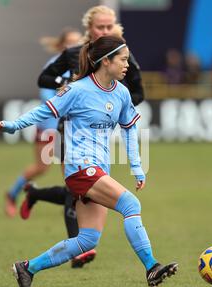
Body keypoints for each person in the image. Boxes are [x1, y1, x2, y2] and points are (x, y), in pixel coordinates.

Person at [0, 36, 178, 287]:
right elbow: (44, 111)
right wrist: (12, 125)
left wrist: (136, 167)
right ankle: (151, 267)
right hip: (79, 168)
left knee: (88, 239)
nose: (128, 65)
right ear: (106, 61)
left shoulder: (122, 93)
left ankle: (27, 268)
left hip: (98, 169)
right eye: (123, 59)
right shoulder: (77, 90)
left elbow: (129, 131)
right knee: (130, 204)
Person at [18, 5, 145, 268]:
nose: (105, 30)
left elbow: (138, 94)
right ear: (89, 28)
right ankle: (78, 246)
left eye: (110, 26)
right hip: (70, 133)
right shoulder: (74, 53)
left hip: (99, 134)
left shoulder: (123, 57)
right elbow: (45, 78)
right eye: (101, 26)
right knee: (77, 185)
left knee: (80, 190)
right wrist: (64, 89)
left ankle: (41, 202)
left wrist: (112, 103)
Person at [4, 28, 82, 217]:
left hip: (71, 129)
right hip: (50, 127)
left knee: (73, 174)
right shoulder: (54, 65)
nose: (73, 46)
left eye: (77, 42)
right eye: (69, 42)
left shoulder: (84, 64)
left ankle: (74, 212)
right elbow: (47, 95)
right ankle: (13, 194)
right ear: (62, 45)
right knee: (41, 167)